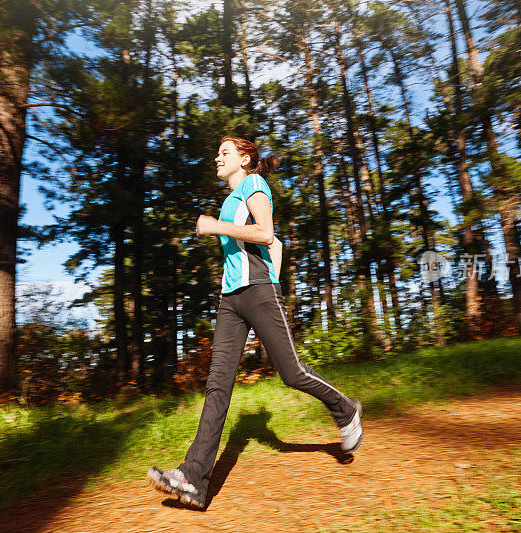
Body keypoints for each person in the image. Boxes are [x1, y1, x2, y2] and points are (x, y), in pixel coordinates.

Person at [147, 136, 362, 510]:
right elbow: (271, 246)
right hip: (230, 301)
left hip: (259, 293)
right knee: (217, 386)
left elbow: (267, 235)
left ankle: (346, 409)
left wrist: (219, 230)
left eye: (225, 153)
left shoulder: (254, 185)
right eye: (217, 153)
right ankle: (193, 479)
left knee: (291, 373)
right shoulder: (231, 200)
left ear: (245, 159)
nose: (218, 157)